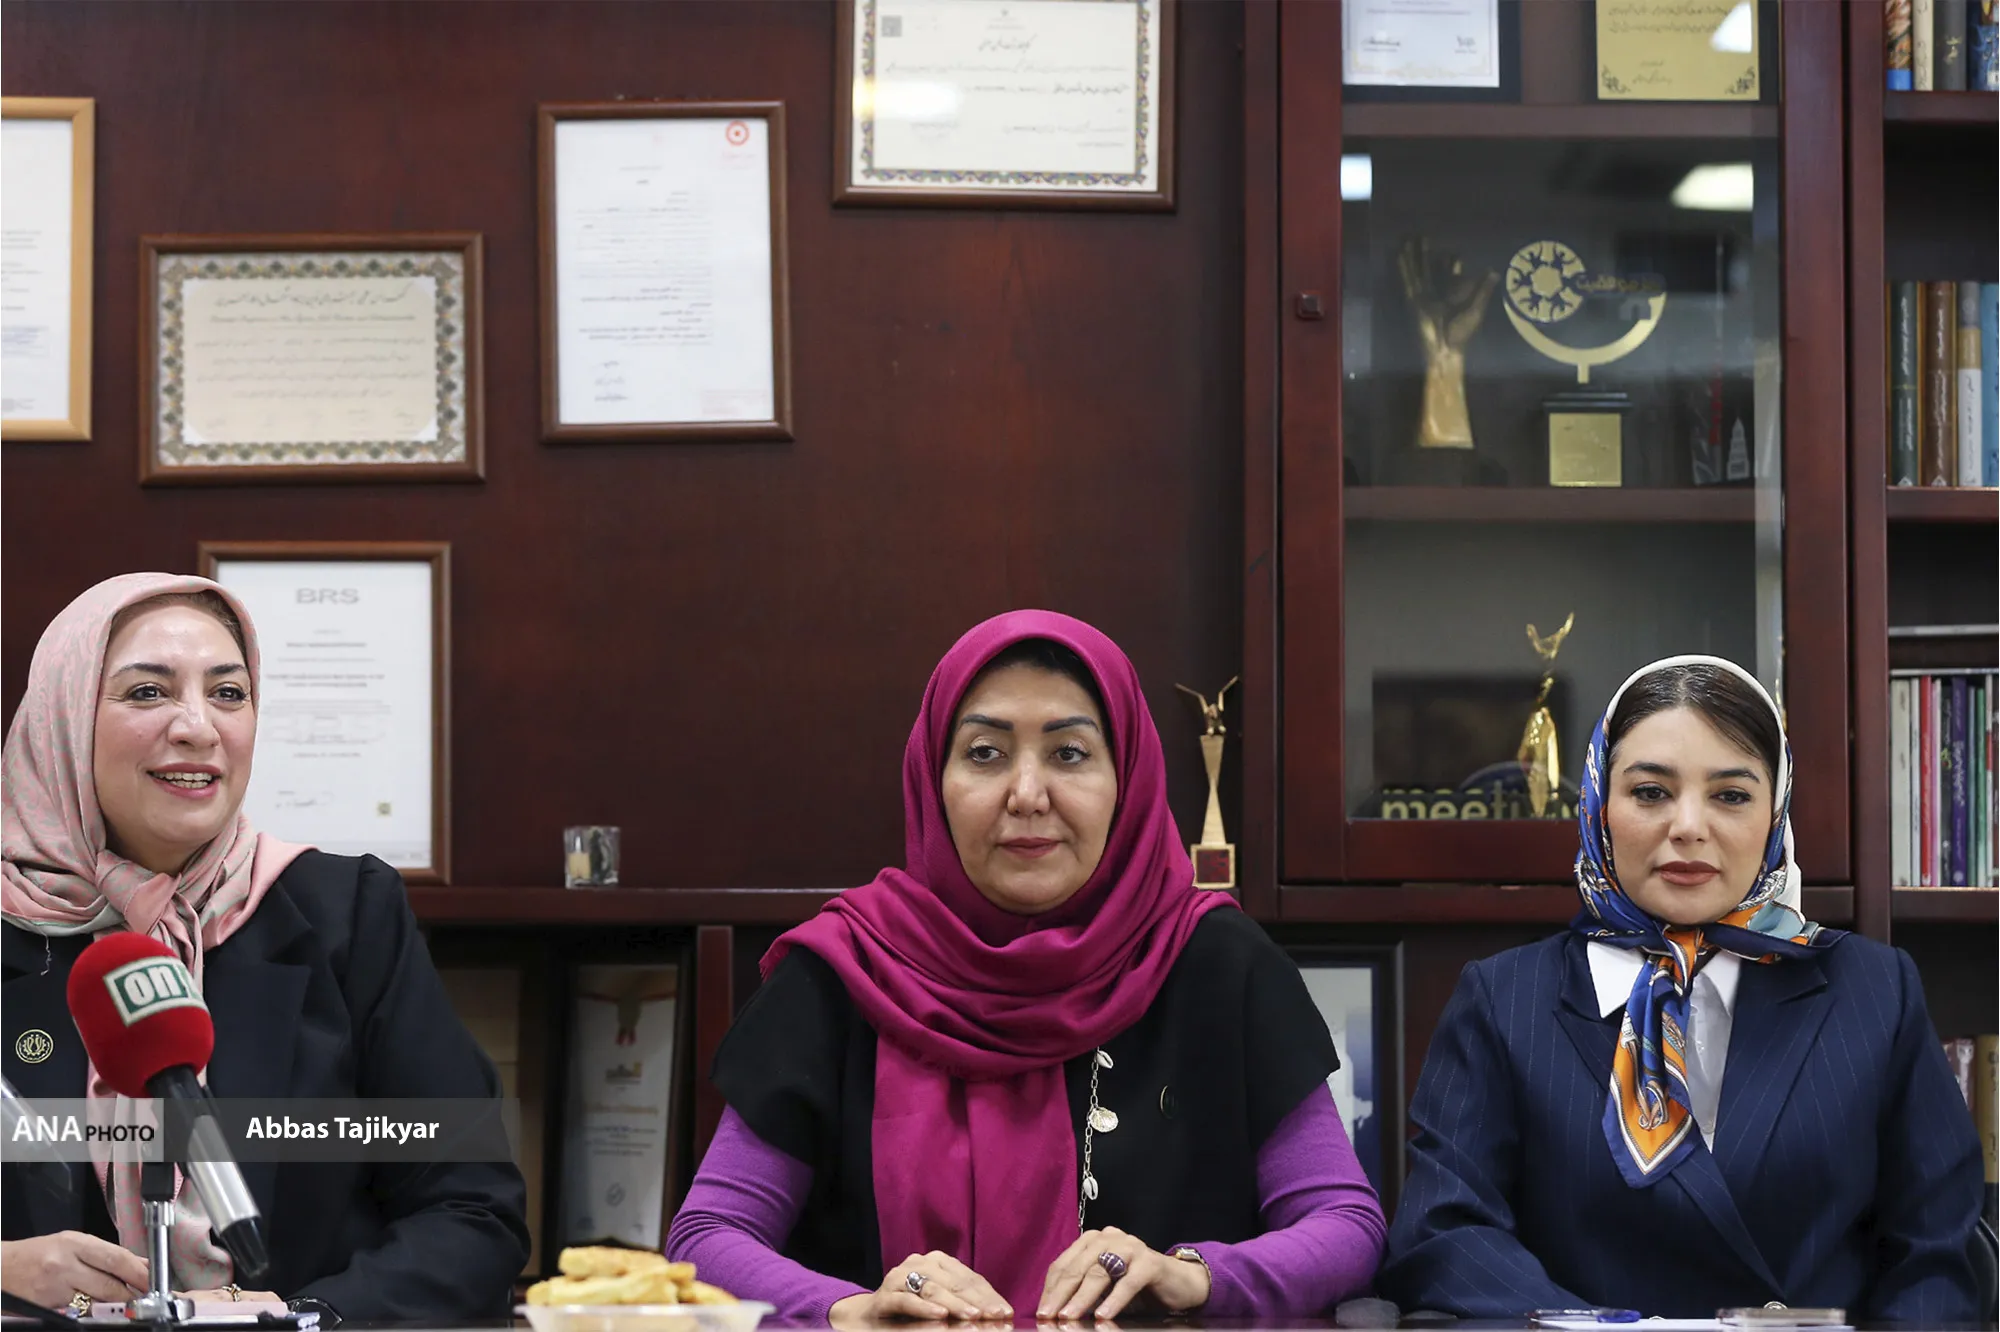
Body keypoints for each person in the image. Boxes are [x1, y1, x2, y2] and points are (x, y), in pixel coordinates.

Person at [667, 610, 1385, 1323]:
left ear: (1127, 777)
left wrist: (1193, 1275)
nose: (1028, 795)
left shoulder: (1217, 965)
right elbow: (708, 1237)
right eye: (985, 753)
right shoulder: (846, 970)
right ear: (933, 779)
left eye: (1070, 753)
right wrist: (847, 1310)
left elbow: (1344, 1223)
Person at [1380, 655, 1983, 1319]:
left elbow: (1936, 1254)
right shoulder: (1504, 1000)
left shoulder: (1875, 991)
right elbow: (1446, 1234)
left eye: (1731, 795)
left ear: (1776, 812)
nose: (1689, 826)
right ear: (1598, 806)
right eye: (1650, 792)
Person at [2, 574, 529, 1322]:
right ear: (61, 719)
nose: (198, 727)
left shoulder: (345, 914)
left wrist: (303, 1319)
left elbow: (474, 1212)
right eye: (148, 692)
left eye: (229, 693)